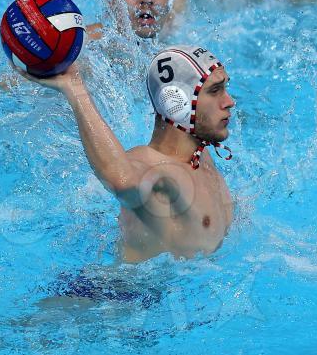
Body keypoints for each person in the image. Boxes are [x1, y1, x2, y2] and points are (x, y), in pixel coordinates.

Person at [15, 45, 235, 262]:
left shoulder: (201, 155)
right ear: (177, 102)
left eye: (224, 88)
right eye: (215, 91)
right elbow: (121, 180)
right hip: (130, 286)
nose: (229, 102)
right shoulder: (158, 171)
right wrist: (74, 88)